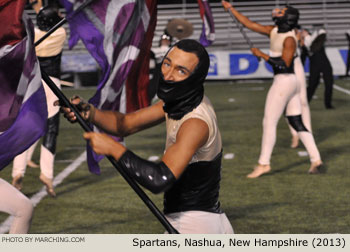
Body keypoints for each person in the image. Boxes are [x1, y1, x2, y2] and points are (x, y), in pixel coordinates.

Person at [59, 39, 234, 234]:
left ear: (195, 78)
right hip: (202, 219)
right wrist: (90, 113)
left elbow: (160, 178)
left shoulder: (195, 123)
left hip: (193, 224)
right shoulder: (178, 102)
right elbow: (126, 124)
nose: (168, 75)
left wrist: (113, 148)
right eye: (167, 64)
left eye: (181, 71)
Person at [222, 1, 322, 177]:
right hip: (289, 82)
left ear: (288, 18)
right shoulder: (273, 30)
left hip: (284, 82)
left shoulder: (290, 39)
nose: (277, 13)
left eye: (282, 12)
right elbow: (249, 24)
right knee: (295, 121)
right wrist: (231, 9)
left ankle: (263, 163)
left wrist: (262, 55)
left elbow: (285, 64)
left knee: (269, 122)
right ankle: (315, 158)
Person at [12, 2, 66, 197]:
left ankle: (18, 172)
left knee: (26, 127)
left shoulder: (31, 34)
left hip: (32, 85)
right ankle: (47, 174)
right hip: (52, 85)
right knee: (51, 129)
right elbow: (54, 23)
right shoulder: (60, 35)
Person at [304, 25, 334, 109]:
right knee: (313, 84)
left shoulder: (314, 36)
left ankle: (328, 104)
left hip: (323, 61)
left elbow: (317, 43)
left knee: (329, 82)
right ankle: (305, 102)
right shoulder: (304, 40)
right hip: (315, 62)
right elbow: (309, 49)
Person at [148, 30, 173, 102]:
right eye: (163, 39)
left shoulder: (172, 50)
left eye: (166, 40)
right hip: (157, 71)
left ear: (169, 41)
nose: (164, 41)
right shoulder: (155, 50)